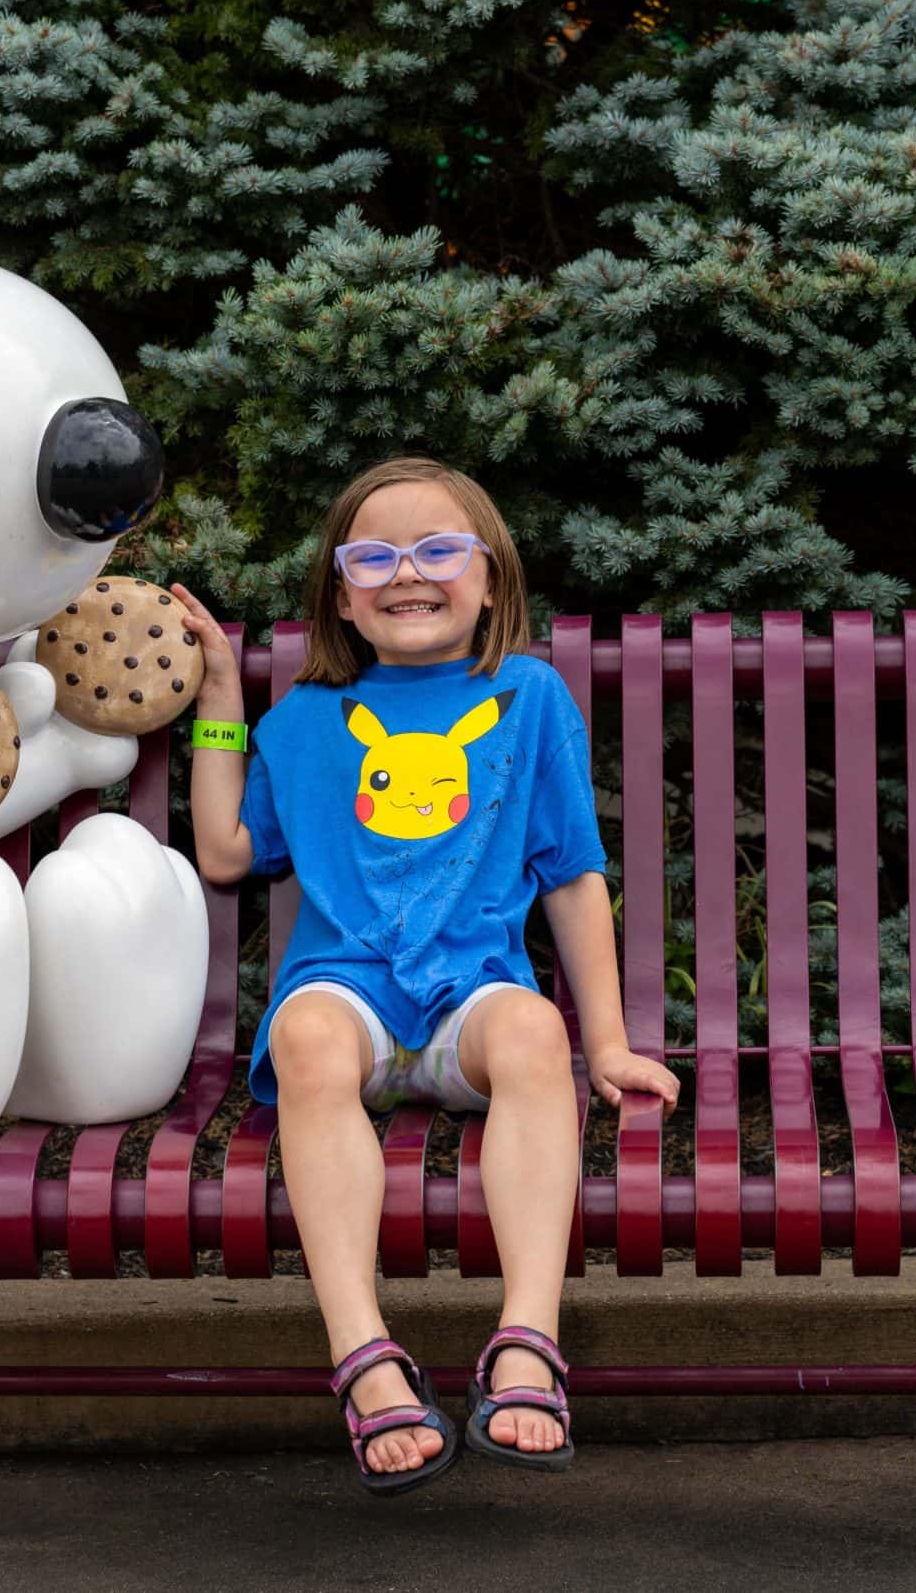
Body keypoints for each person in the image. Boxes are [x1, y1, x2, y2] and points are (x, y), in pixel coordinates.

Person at [171, 456, 680, 1494]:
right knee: (308, 1038)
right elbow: (227, 852)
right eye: (375, 557)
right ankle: (361, 1356)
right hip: (347, 994)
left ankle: (527, 1339)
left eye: (441, 550)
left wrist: (612, 1043)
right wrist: (221, 694)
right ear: (343, 597)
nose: (409, 573)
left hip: (468, 997)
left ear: (490, 579)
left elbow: (571, 876)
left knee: (534, 1034)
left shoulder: (526, 698)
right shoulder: (310, 719)